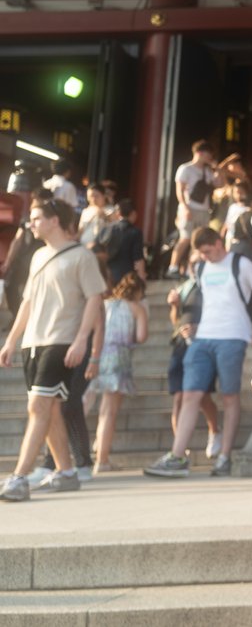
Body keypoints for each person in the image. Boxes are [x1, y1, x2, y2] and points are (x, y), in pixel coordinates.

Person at [0, 198, 106, 501]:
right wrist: (11, 339)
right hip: (33, 342)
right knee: (51, 410)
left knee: (38, 407)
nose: (31, 224)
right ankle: (67, 472)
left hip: (61, 341)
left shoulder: (81, 257)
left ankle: (19, 477)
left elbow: (95, 300)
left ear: (54, 220)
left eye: (36, 218)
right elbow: (28, 302)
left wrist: (82, 340)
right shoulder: (38, 256)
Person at [144, 226, 252, 479]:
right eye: (201, 253)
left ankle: (224, 456)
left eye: (208, 251)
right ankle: (178, 456)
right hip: (203, 337)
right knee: (190, 394)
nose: (205, 257)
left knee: (229, 396)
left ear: (219, 243)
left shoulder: (241, 264)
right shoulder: (200, 268)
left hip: (233, 336)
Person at [88, 272, 148, 473]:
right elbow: (141, 336)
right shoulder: (136, 308)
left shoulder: (104, 304)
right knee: (109, 412)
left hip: (98, 356)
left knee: (96, 406)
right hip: (119, 358)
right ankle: (102, 459)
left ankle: (95, 449)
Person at [166, 255, 221, 464]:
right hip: (180, 344)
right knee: (179, 398)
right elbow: (176, 320)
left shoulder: (214, 285)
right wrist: (174, 306)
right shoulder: (185, 287)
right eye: (193, 262)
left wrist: (199, 328)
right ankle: (180, 449)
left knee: (202, 396)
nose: (196, 266)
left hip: (204, 344)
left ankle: (215, 430)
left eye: (201, 262)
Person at [169, 141, 224, 277]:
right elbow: (179, 190)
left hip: (204, 209)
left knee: (198, 240)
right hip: (189, 207)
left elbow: (219, 184)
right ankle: (173, 267)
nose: (210, 157)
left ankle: (190, 269)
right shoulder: (185, 168)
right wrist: (185, 207)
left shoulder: (207, 171)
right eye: (208, 154)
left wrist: (218, 169)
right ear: (199, 153)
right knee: (186, 237)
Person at [98, 199, 146, 285]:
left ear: (118, 214)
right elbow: (138, 259)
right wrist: (142, 279)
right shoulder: (135, 232)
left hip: (106, 276)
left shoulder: (106, 229)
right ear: (133, 214)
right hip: (126, 278)